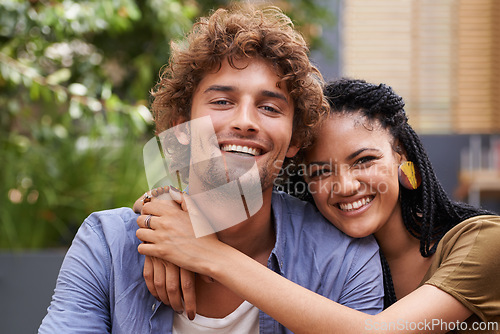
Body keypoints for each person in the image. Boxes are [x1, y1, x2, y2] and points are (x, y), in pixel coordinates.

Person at [38, 7, 384, 334]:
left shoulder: (342, 259)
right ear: (182, 130)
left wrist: (208, 255)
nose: (245, 121)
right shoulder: (109, 247)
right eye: (222, 101)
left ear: (294, 141)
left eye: (269, 107)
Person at [135, 78, 500, 333]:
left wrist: (204, 252)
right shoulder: (340, 259)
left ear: (402, 157)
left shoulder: (483, 243)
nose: (344, 185)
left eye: (364, 160)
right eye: (321, 171)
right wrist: (165, 213)